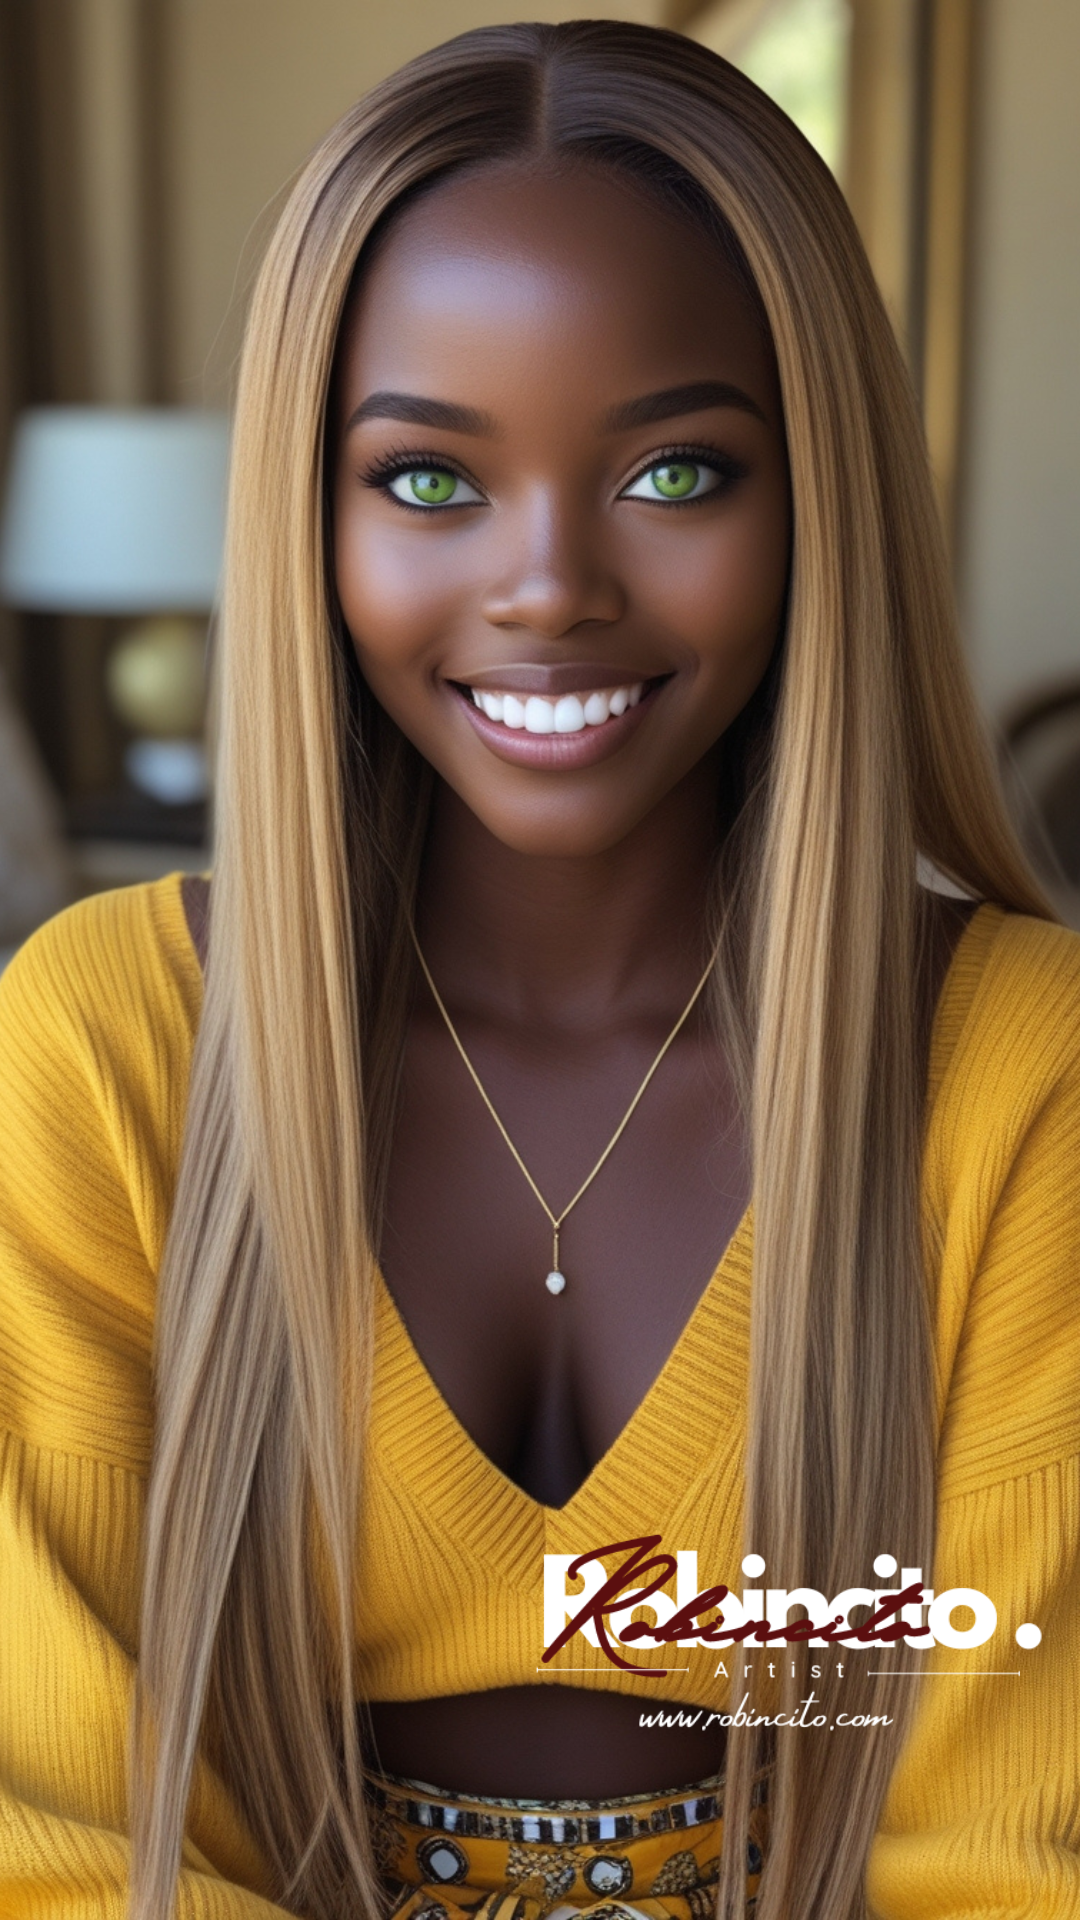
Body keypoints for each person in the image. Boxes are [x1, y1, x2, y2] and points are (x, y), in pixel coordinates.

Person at [1, 20, 1078, 1920]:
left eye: (676, 475)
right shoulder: (99, 1053)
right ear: (306, 515)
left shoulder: (1029, 1082)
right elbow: (64, 1841)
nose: (549, 584)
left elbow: (1010, 1861)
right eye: (429, 483)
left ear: (818, 494)